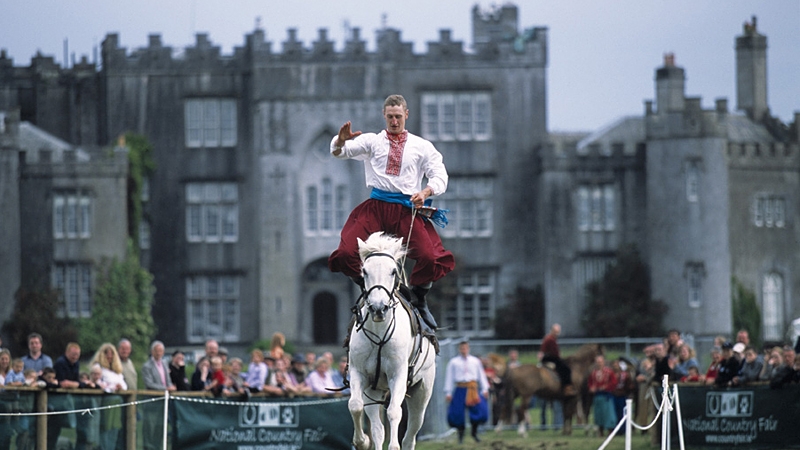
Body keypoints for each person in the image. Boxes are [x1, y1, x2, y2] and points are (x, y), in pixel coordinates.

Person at [328, 94, 455, 330]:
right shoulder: (372, 141)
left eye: (398, 116)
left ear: (406, 115)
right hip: (376, 208)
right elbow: (340, 152)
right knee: (346, 253)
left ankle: (419, 298)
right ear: (384, 116)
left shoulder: (421, 146)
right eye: (390, 117)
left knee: (429, 257)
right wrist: (340, 141)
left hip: (406, 210)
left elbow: (439, 175)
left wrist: (426, 192)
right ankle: (368, 290)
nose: (394, 121)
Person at [444, 340, 490, 443]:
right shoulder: (454, 362)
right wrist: (448, 392)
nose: (463, 350)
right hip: (460, 388)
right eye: (462, 348)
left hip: (472, 388)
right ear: (459, 349)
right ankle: (460, 436)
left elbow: (481, 375)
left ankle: (474, 433)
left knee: (479, 410)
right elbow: (449, 377)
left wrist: (485, 388)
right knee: (457, 413)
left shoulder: (475, 361)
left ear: (468, 349)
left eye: (465, 348)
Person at [141, 340, 175, 450]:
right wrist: (166, 388)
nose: (159, 353)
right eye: (157, 351)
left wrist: (171, 387)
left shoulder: (164, 364)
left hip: (163, 401)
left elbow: (167, 380)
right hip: (152, 402)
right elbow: (149, 383)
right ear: (152, 351)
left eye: (161, 351)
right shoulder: (147, 366)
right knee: (150, 428)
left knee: (160, 428)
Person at [539, 324, 575, 396]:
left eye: (558, 332)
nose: (557, 333)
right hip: (550, 357)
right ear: (552, 331)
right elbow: (554, 353)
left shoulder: (548, 338)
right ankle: (567, 388)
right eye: (555, 331)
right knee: (566, 369)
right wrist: (560, 357)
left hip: (547, 357)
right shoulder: (551, 339)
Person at [587, 354, 618, 437]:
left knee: (608, 414)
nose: (599, 363)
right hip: (597, 396)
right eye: (597, 362)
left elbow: (614, 382)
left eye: (600, 362)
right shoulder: (593, 373)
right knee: (598, 414)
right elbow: (590, 383)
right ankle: (600, 431)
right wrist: (591, 388)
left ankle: (610, 431)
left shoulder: (609, 372)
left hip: (606, 396)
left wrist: (606, 387)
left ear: (603, 362)